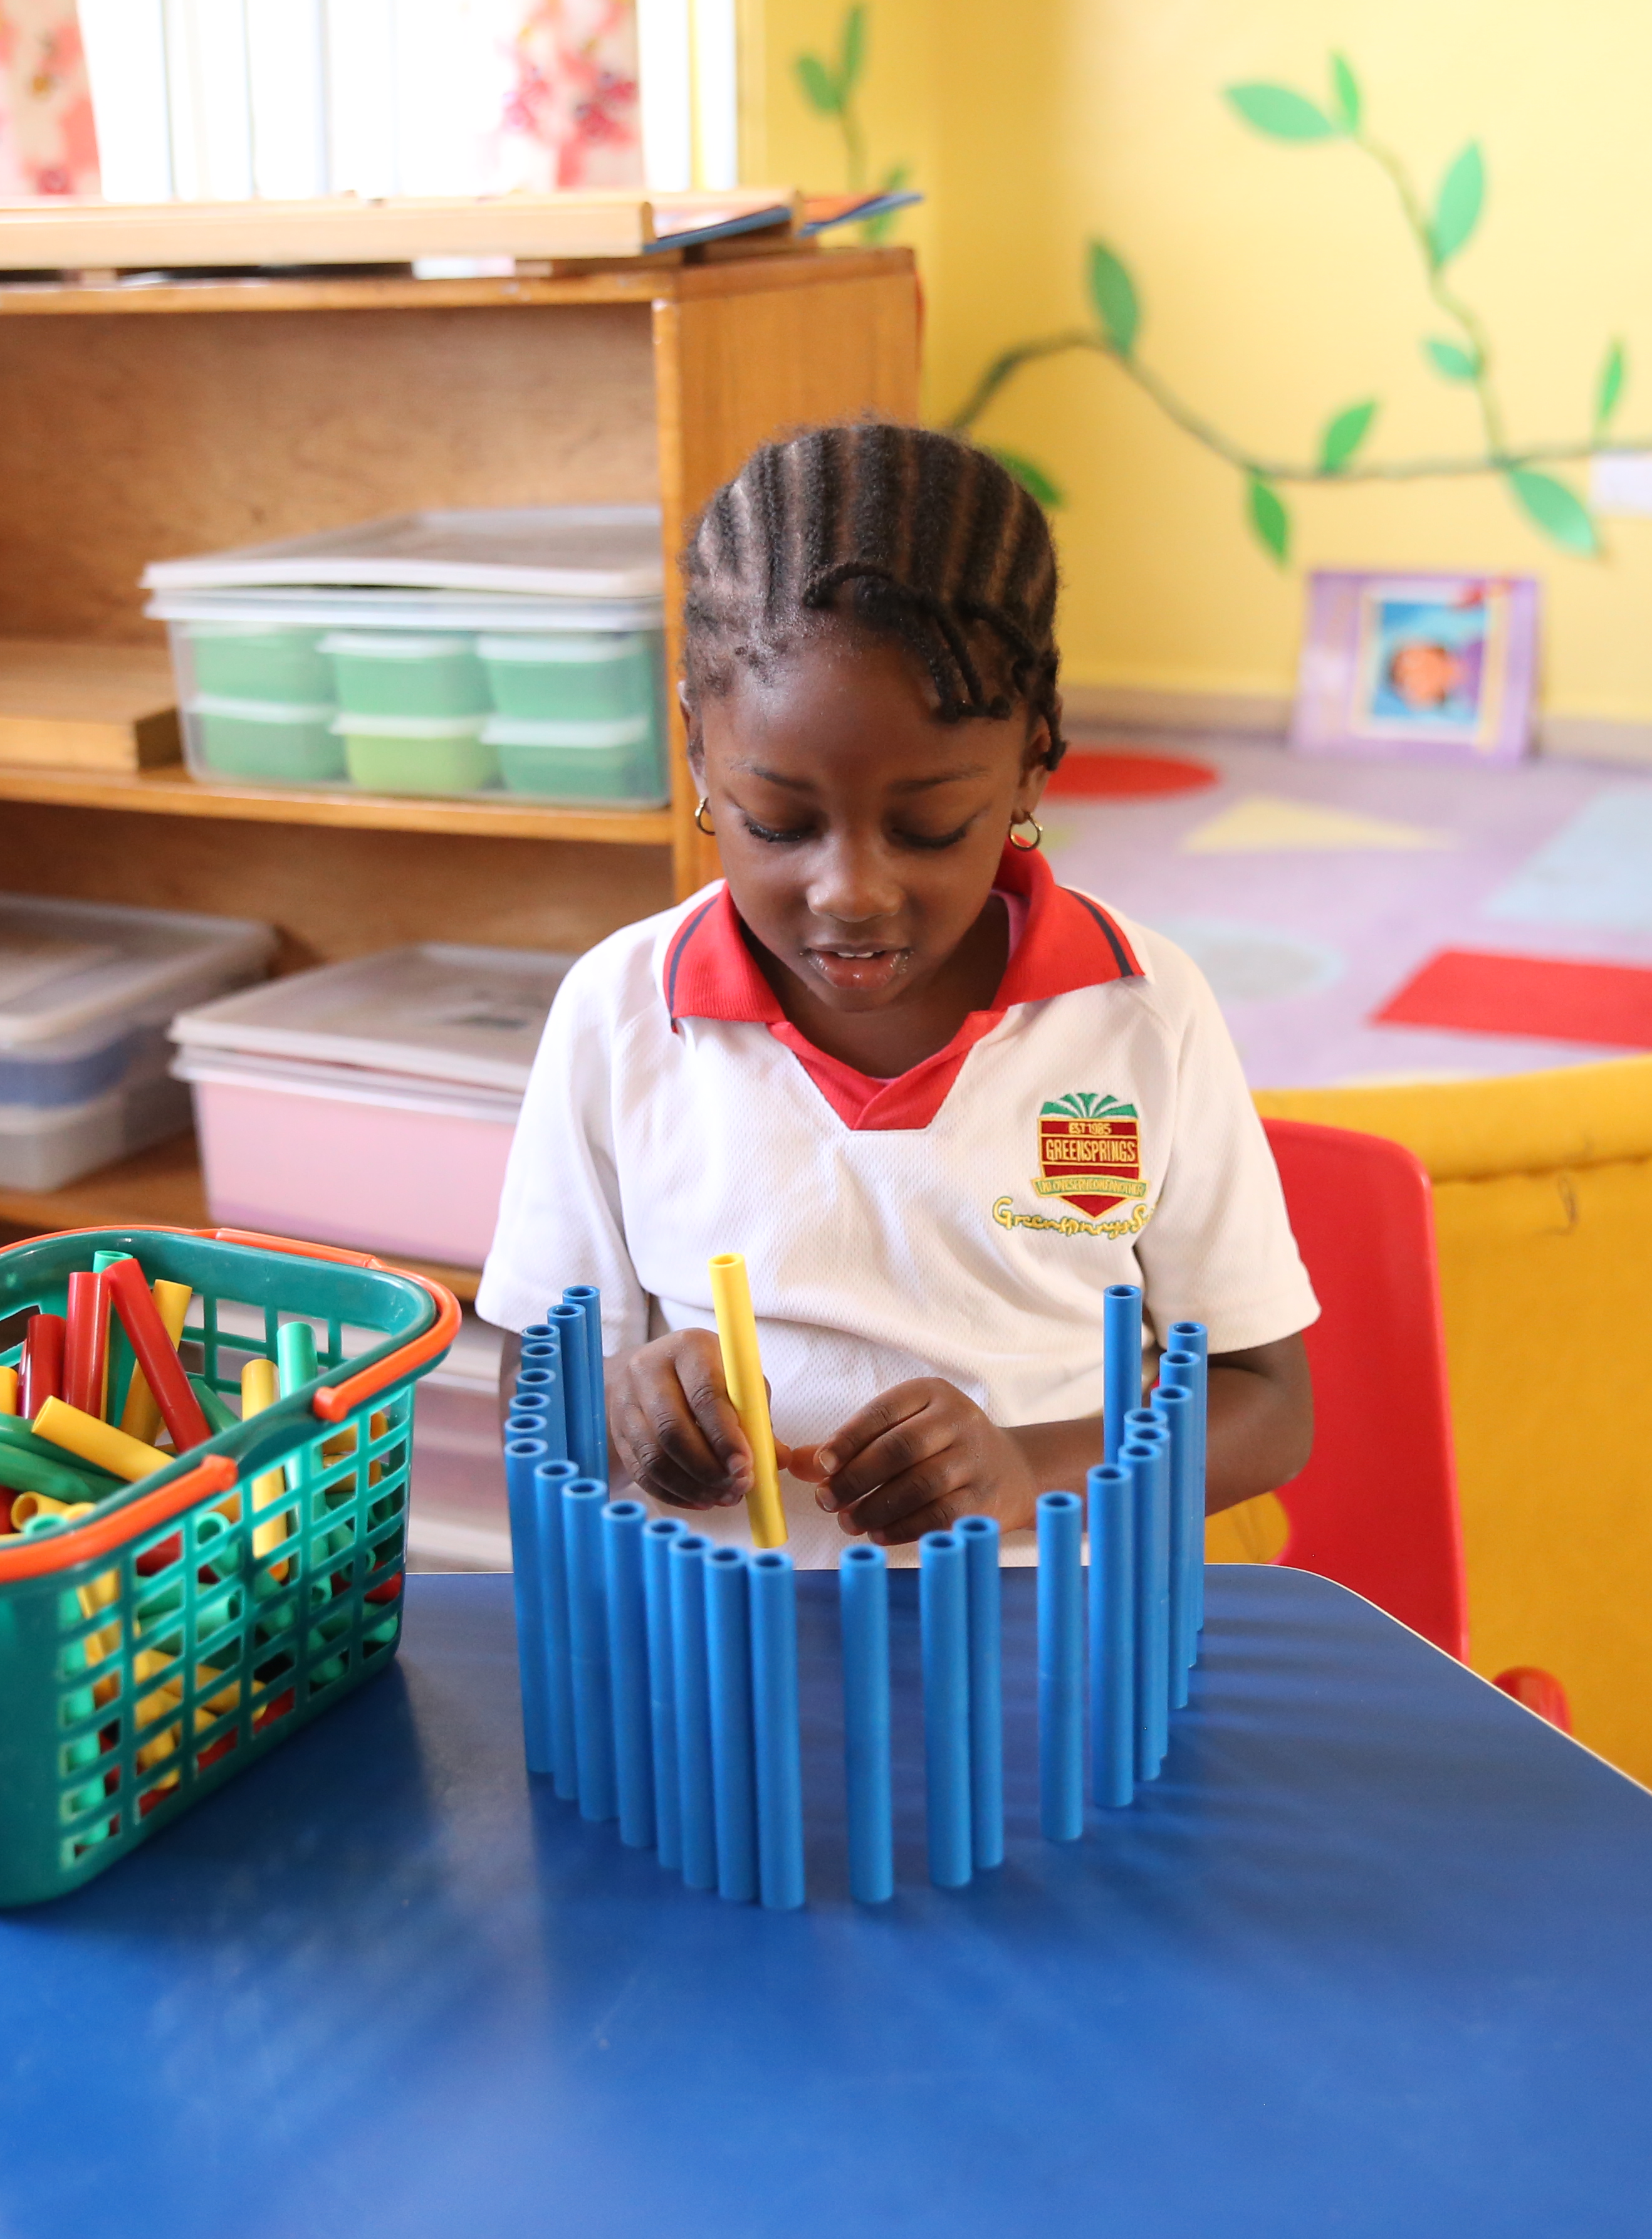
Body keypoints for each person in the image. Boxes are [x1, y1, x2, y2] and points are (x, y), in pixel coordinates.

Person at [476, 419, 1315, 1556]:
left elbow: (1265, 1404)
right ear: (696, 752)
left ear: (1033, 758)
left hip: (1038, 1655)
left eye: (929, 829)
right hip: (723, 1660)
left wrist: (1031, 1468)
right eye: (780, 823)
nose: (851, 893)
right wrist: (625, 1413)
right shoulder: (620, 1012)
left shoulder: (1140, 1015)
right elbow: (538, 1390)